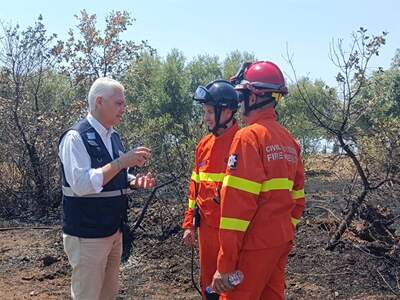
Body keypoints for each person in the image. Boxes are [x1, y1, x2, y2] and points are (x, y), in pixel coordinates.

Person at [211, 61, 306, 299]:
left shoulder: (249, 137)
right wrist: (282, 230)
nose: (239, 103)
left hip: (251, 248)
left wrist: (225, 265)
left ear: (254, 98)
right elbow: (298, 199)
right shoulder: (289, 140)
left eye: (241, 96)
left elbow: (236, 210)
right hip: (279, 242)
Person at [58, 77, 156, 300]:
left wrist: (132, 180)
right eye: (118, 103)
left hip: (113, 231)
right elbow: (82, 184)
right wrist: (122, 163)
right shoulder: (76, 137)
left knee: (107, 295)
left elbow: (112, 174)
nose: (123, 109)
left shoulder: (113, 136)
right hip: (87, 234)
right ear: (99, 101)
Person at [182, 80, 240, 298]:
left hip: (232, 232)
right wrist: (189, 224)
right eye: (204, 111)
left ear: (226, 111)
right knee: (209, 284)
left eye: (209, 111)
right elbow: (194, 188)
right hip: (206, 230)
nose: (205, 117)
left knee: (231, 284)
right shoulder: (203, 145)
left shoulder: (242, 142)